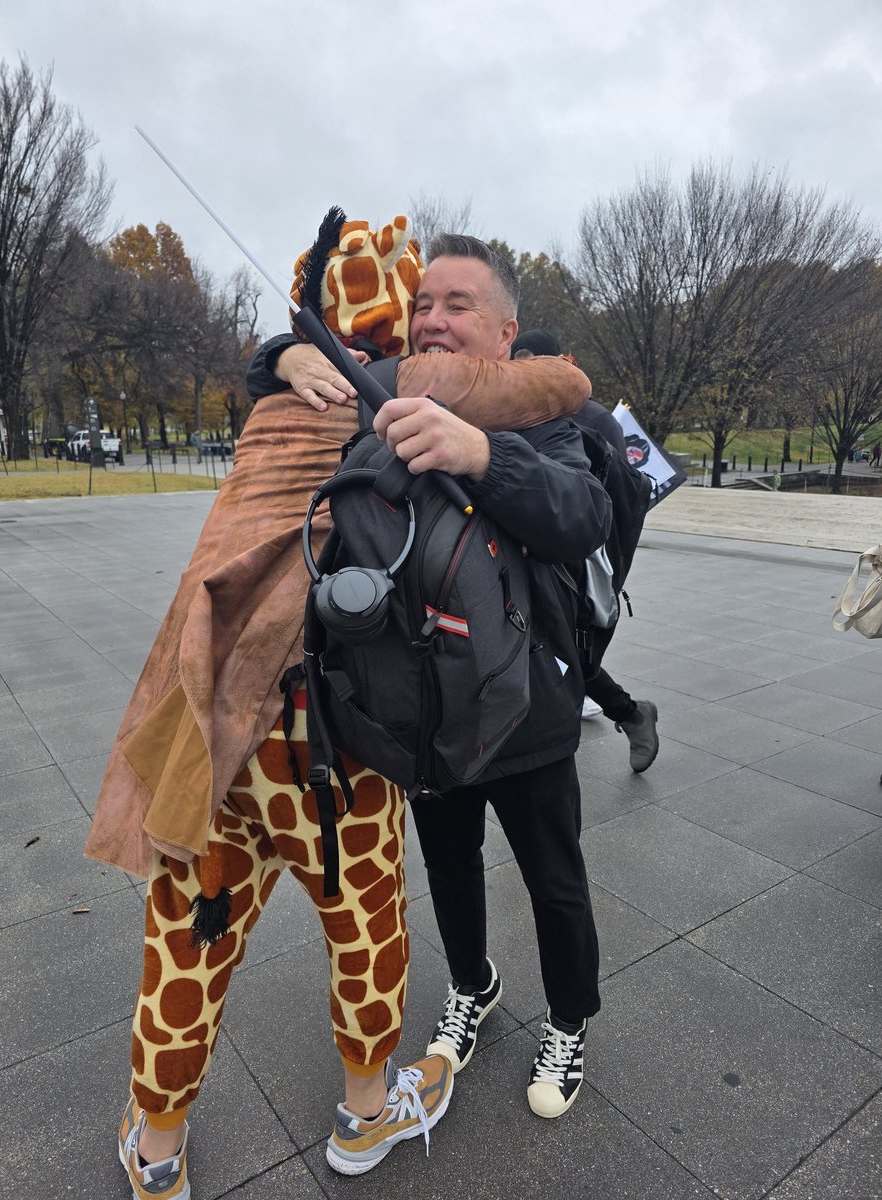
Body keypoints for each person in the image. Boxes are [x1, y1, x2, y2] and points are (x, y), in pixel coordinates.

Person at [254, 238, 612, 1121]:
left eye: (457, 304)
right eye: (423, 304)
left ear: (504, 328)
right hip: (422, 713)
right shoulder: (385, 387)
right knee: (450, 872)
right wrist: (287, 355)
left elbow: (582, 513)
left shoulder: (538, 410)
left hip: (526, 711)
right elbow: (281, 362)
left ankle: (569, 1020)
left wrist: (481, 453)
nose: (432, 320)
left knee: (553, 879)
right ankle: (473, 987)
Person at [511, 330, 659, 773]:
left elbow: (611, 504)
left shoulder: (591, 419)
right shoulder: (514, 412)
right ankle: (627, 716)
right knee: (553, 654)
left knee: (572, 657)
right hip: (531, 558)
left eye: (532, 367)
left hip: (582, 561)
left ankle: (630, 715)